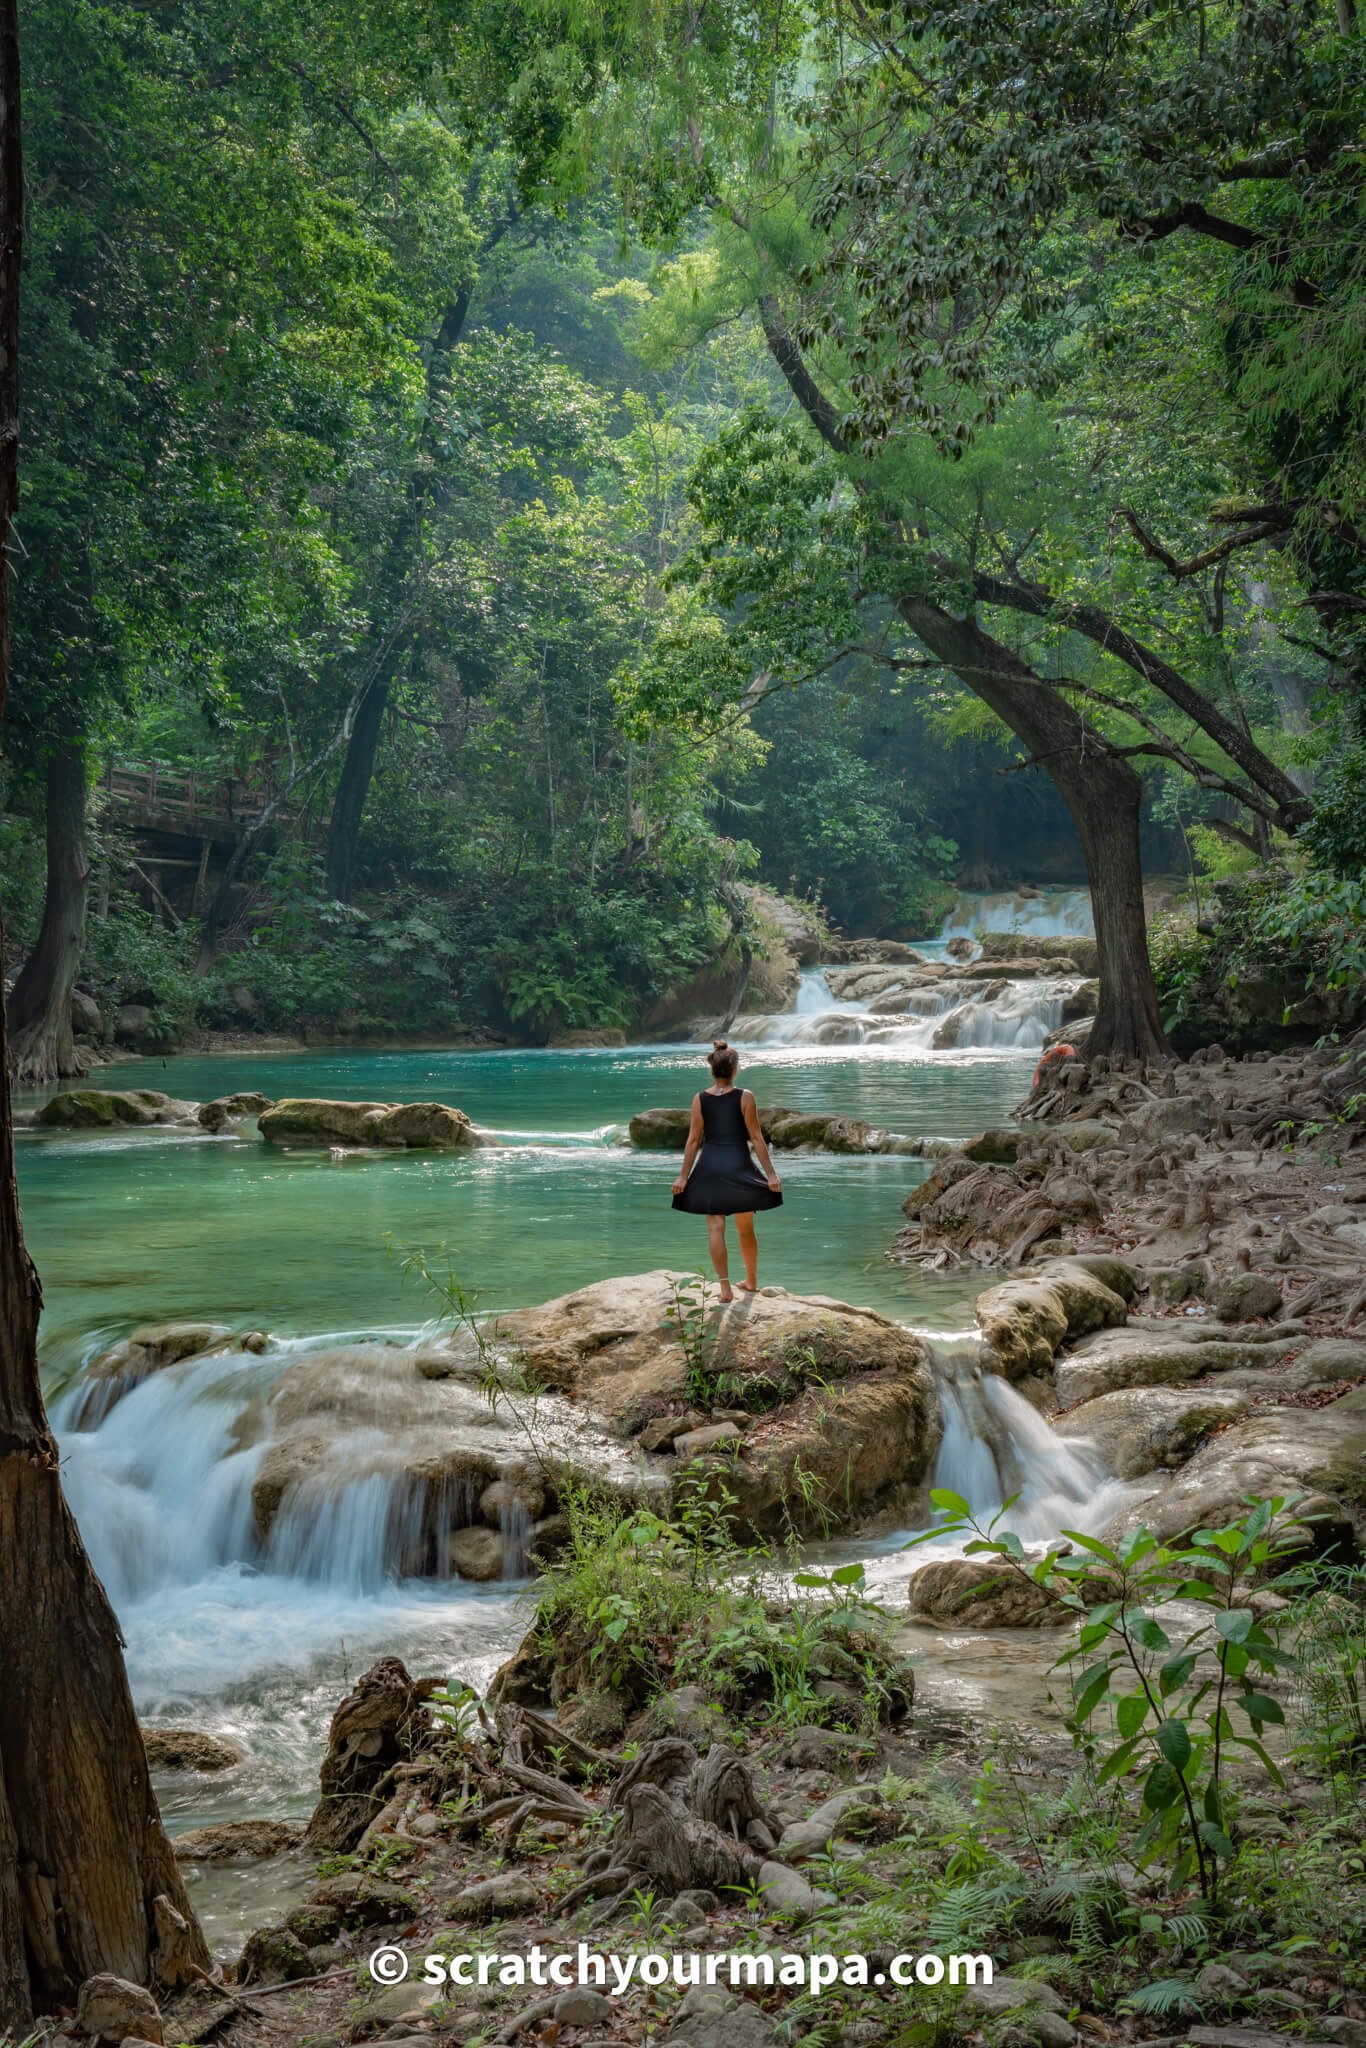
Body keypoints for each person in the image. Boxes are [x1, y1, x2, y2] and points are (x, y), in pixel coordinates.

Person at [671, 1040, 782, 1300]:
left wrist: (682, 1176)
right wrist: (771, 1175)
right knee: (745, 1228)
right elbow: (756, 1138)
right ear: (735, 1069)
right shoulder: (745, 1097)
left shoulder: (699, 1099)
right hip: (738, 1166)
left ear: (713, 1070)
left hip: (710, 1167)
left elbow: (693, 1140)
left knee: (715, 1228)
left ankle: (724, 1288)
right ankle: (751, 1281)